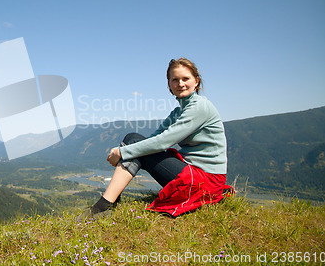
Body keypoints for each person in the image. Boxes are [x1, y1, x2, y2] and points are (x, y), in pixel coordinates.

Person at [79, 58, 232, 220]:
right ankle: (109, 202)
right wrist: (127, 149)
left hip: (206, 181)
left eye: (185, 79)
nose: (180, 83)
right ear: (169, 85)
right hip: (195, 175)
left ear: (196, 81)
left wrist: (122, 151)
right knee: (133, 138)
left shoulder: (200, 107)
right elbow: (155, 138)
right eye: (175, 80)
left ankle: (103, 207)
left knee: (133, 142)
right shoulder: (178, 112)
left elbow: (163, 142)